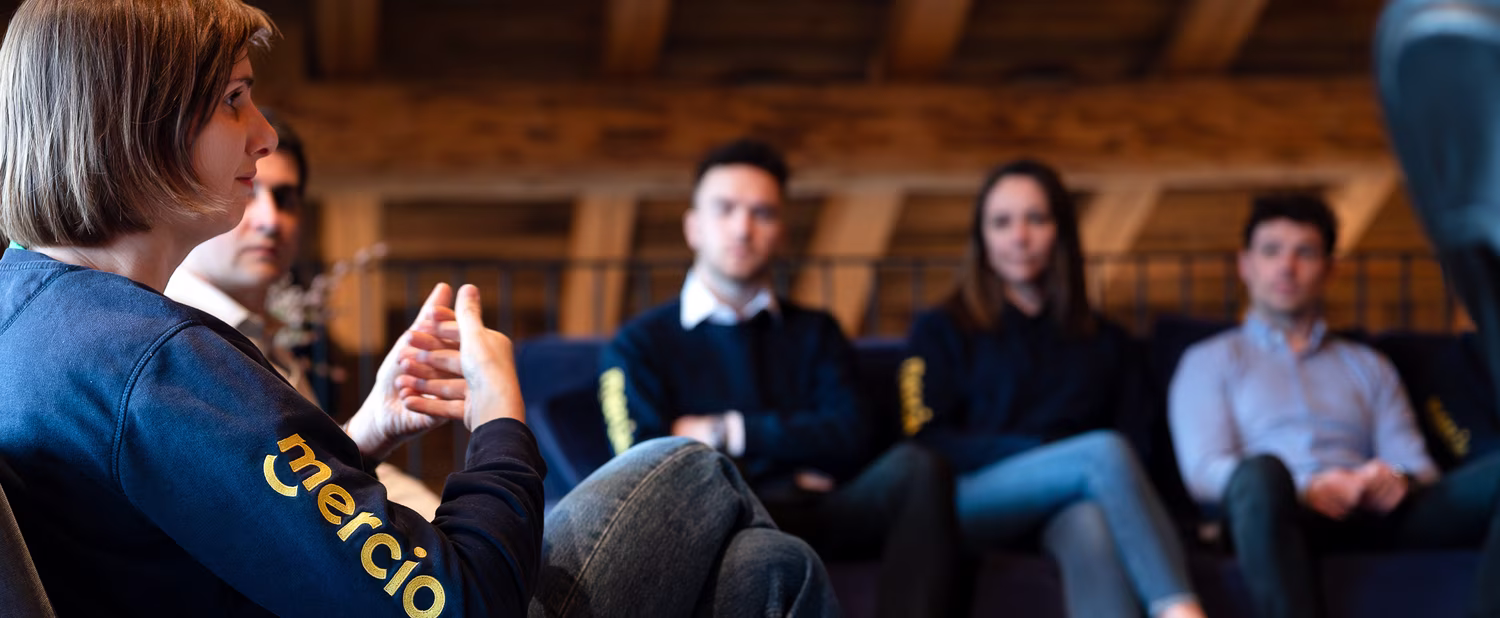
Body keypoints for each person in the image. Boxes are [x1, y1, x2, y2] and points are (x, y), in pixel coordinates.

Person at [0, 1, 836, 616]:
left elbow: (202, 508)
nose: (264, 135)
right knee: (688, 469)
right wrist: (502, 419)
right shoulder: (155, 365)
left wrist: (353, 436)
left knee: (769, 573)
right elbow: (458, 600)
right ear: (136, 122)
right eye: (234, 99)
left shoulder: (34, 312)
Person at [600, 138, 961, 617]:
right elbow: (644, 467)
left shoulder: (817, 332)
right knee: (733, 535)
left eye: (762, 213)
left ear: (782, 233)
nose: (742, 228)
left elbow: (851, 435)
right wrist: (788, 456)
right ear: (693, 227)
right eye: (725, 208)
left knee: (918, 467)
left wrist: (725, 431)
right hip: (715, 520)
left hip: (816, 510)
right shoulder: (638, 344)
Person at [1169, 194, 1500, 618]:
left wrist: (1392, 478)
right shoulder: (1210, 361)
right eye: (1271, 251)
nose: (1286, 267)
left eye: (1304, 252)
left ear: (1330, 269)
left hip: (1367, 512)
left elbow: (1417, 465)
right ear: (1245, 265)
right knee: (1260, 473)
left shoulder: (1368, 365)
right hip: (1274, 514)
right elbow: (1204, 470)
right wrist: (1305, 489)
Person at [903, 159, 1205, 618]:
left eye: (1036, 219)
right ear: (982, 238)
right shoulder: (939, 330)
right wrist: (1046, 452)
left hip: (1076, 502)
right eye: (1002, 222)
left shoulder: (1107, 341)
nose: (1019, 237)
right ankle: (1181, 610)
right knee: (1101, 452)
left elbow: (1140, 450)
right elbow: (926, 440)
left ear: (1059, 232)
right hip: (971, 501)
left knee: (1092, 525)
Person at [166, 108, 441, 519]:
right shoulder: (181, 337)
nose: (271, 221)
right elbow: (274, 511)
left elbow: (317, 477)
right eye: (248, 189)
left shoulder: (264, 337)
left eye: (286, 199)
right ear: (192, 195)